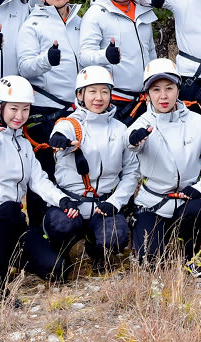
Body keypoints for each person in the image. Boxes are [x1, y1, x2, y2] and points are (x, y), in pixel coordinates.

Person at [0, 76, 70, 302]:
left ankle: (8, 256)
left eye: (25, 109)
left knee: (58, 270)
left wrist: (63, 200)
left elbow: (39, 181)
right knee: (8, 209)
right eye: (13, 109)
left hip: (14, 226)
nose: (19, 116)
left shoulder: (25, 145)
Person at [127, 58, 201, 270]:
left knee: (197, 209)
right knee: (149, 263)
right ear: (147, 94)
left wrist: (200, 188)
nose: (163, 96)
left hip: (188, 199)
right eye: (156, 89)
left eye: (169, 88)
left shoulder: (197, 122)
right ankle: (151, 235)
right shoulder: (141, 124)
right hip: (153, 202)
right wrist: (134, 140)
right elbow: (129, 142)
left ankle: (190, 255)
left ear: (178, 89)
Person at [42, 66, 139, 272]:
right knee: (61, 226)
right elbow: (60, 132)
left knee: (116, 236)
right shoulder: (70, 124)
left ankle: (97, 252)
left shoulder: (120, 129)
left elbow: (131, 173)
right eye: (92, 91)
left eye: (104, 91)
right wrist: (59, 140)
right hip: (70, 204)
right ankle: (62, 252)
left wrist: (115, 202)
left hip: (103, 205)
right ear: (80, 94)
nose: (99, 97)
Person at [17, 0, 85, 167]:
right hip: (46, 113)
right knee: (45, 175)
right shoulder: (31, 26)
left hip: (78, 111)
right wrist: (47, 60)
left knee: (74, 175)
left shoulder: (81, 23)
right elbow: (24, 67)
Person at [81, 0, 158, 125]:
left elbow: (150, 51)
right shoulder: (95, 14)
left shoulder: (143, 11)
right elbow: (84, 56)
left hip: (145, 102)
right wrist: (105, 56)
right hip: (114, 104)